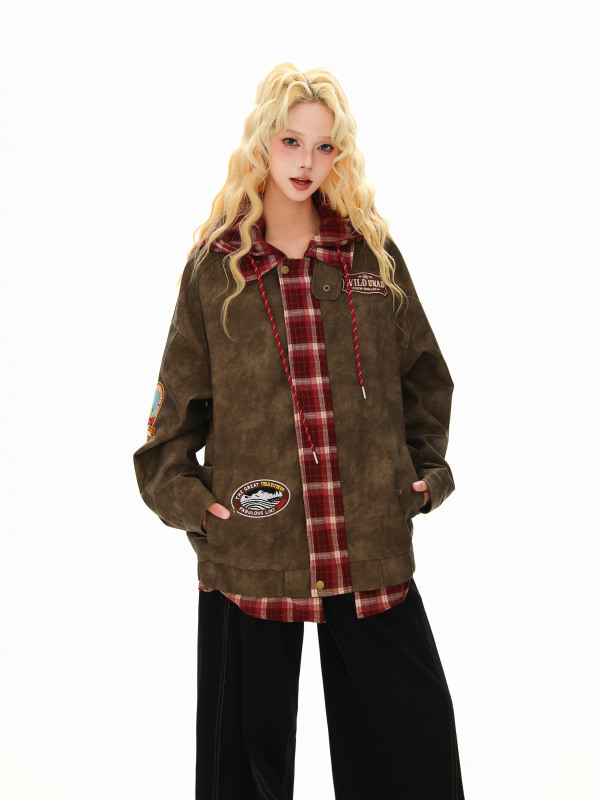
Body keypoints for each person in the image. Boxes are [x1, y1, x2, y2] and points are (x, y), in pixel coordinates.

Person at [133, 63, 464, 800]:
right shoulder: (215, 271)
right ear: (263, 143)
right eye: (291, 141)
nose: (306, 161)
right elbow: (170, 425)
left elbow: (426, 378)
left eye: (323, 146)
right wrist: (199, 507)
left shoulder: (372, 260)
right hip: (253, 548)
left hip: (366, 539)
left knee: (414, 748)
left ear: (340, 155)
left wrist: (421, 476)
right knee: (239, 775)